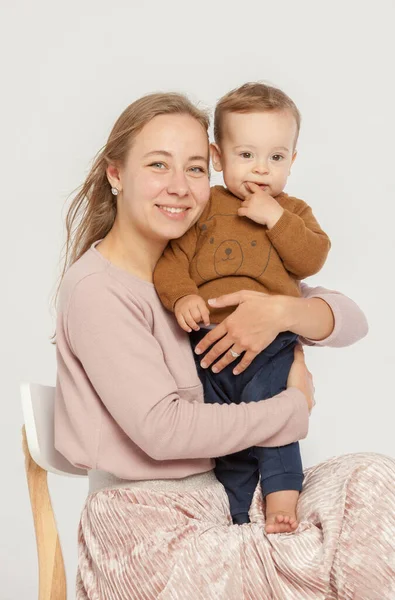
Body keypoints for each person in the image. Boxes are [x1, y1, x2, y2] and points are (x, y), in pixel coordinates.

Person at [54, 92, 395, 600]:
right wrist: (292, 407)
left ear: (211, 168)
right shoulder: (98, 290)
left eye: (194, 168)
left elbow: (352, 321)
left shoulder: (210, 264)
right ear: (116, 175)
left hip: (224, 499)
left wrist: (282, 312)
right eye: (157, 165)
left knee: (375, 484)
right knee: (325, 558)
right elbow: (163, 431)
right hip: (146, 527)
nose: (179, 187)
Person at [153, 82, 331, 532]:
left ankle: (281, 500)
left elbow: (311, 257)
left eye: (276, 157)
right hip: (207, 348)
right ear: (218, 157)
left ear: (292, 161)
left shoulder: (293, 210)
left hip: (270, 345)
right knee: (223, 431)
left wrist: (275, 218)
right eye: (247, 155)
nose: (261, 170)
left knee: (273, 417)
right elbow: (172, 261)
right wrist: (185, 297)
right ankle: (235, 512)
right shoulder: (206, 206)